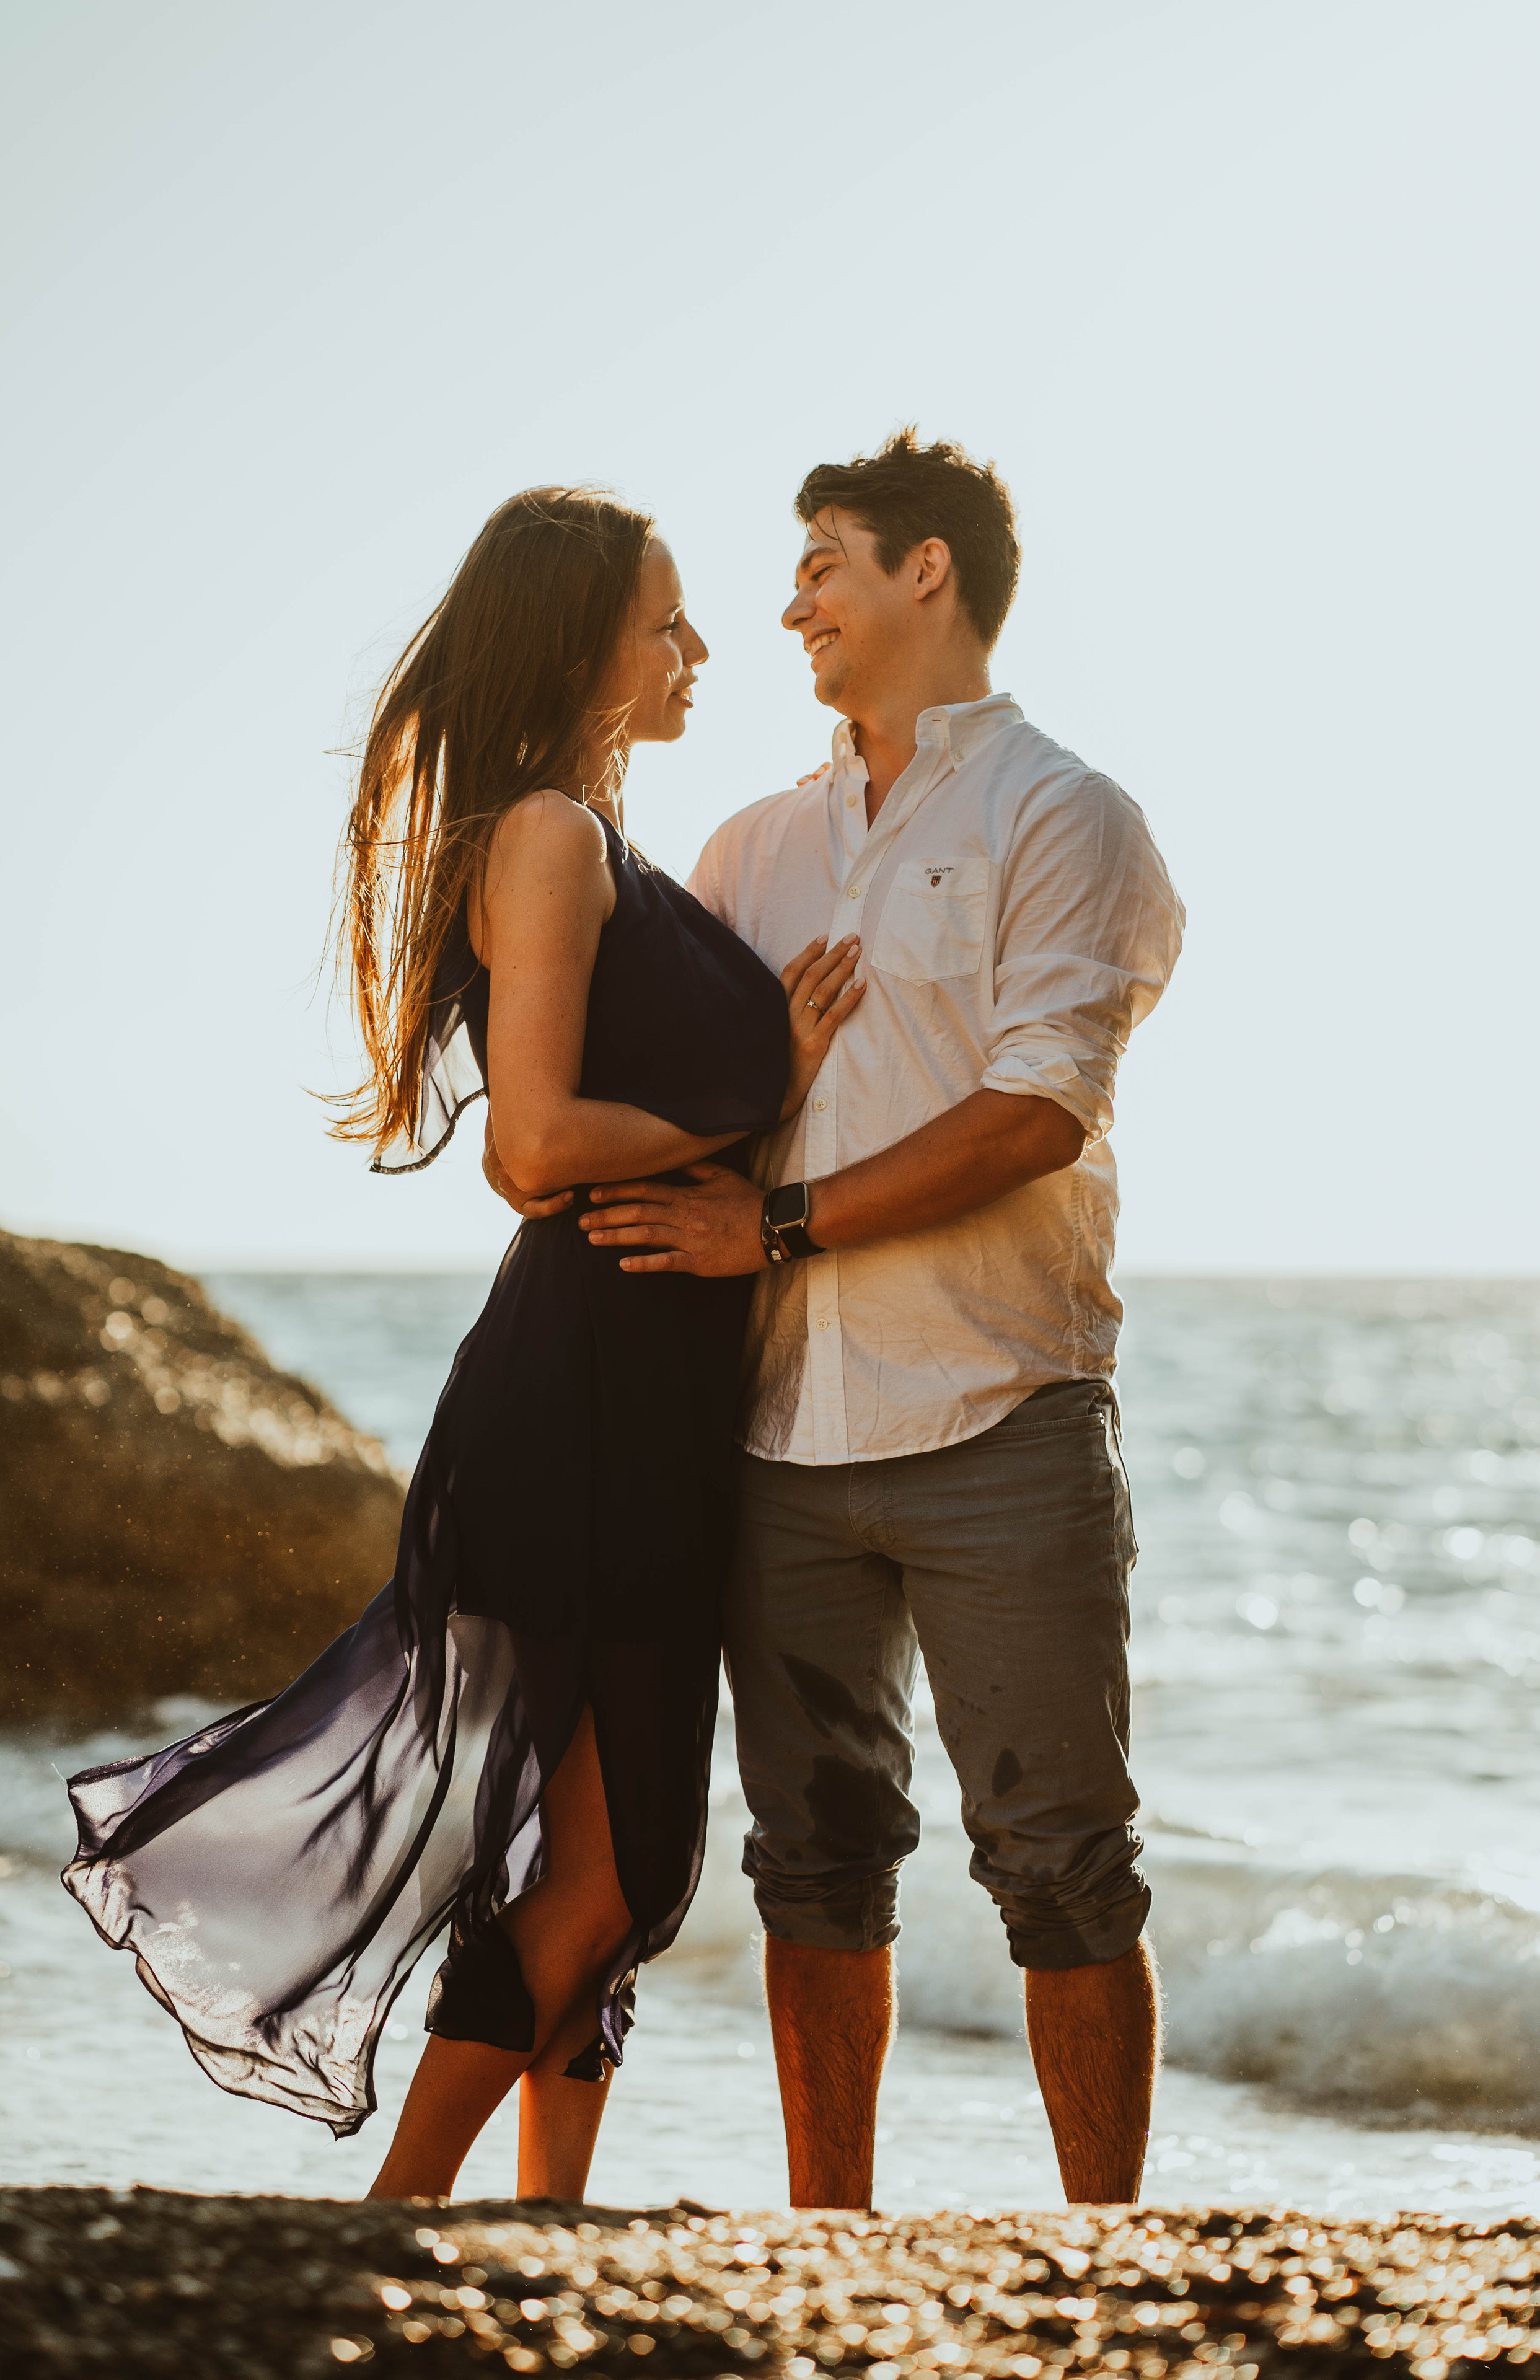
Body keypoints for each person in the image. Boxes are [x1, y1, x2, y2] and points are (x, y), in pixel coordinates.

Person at [61, 485, 864, 2204]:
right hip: (586, 1398)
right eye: (665, 621)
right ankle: (402, 2211)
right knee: (620, 1858)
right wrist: (760, 1091)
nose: (699, 649)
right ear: (582, 647)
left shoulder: (594, 836)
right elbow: (534, 1142)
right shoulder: (551, 837)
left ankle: (548, 2216)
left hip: (643, 1393)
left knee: (601, 1855)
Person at [526, 431, 1186, 2209]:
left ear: (927, 572)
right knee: (811, 1868)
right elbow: (665, 1097)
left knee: (1062, 1866)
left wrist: (775, 1225)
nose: (792, 604)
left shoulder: (1062, 814)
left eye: (823, 562)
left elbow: (1038, 1110)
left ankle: (1108, 2254)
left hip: (1001, 1416)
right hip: (773, 1439)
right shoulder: (751, 848)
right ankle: (833, 2243)